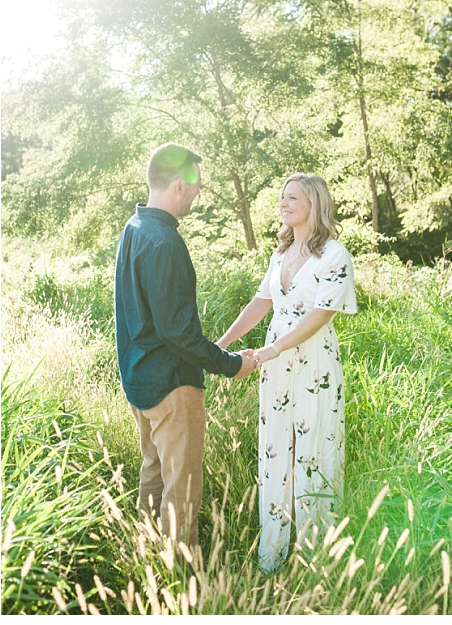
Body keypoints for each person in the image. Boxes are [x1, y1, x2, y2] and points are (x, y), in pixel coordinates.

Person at [115, 142, 259, 556]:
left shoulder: (134, 229)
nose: (198, 194)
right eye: (196, 186)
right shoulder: (165, 243)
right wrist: (232, 364)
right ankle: (181, 583)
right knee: (182, 492)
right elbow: (179, 334)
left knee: (153, 478)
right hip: (173, 388)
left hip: (141, 382)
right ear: (179, 186)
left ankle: (146, 564)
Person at [217, 173, 358, 573]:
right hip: (274, 364)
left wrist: (273, 348)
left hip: (313, 365)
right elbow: (261, 303)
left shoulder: (334, 255)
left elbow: (321, 314)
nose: (283, 203)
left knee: (315, 453)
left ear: (314, 204)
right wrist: (222, 344)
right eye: (282, 197)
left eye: (292, 197)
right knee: (275, 451)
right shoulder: (280, 253)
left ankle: (319, 559)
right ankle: (273, 554)